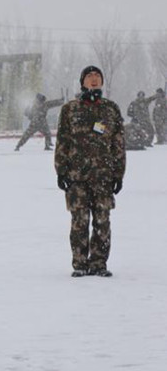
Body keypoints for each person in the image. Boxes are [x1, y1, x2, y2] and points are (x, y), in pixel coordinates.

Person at [55, 66, 125, 277]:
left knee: (102, 221)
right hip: (77, 177)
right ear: (82, 82)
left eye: (97, 77)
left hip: (103, 176)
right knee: (79, 222)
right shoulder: (70, 109)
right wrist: (61, 170)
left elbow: (118, 144)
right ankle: (80, 264)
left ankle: (98, 263)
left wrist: (118, 174)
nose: (94, 80)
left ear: (102, 81)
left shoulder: (111, 109)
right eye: (89, 77)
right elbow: (63, 141)